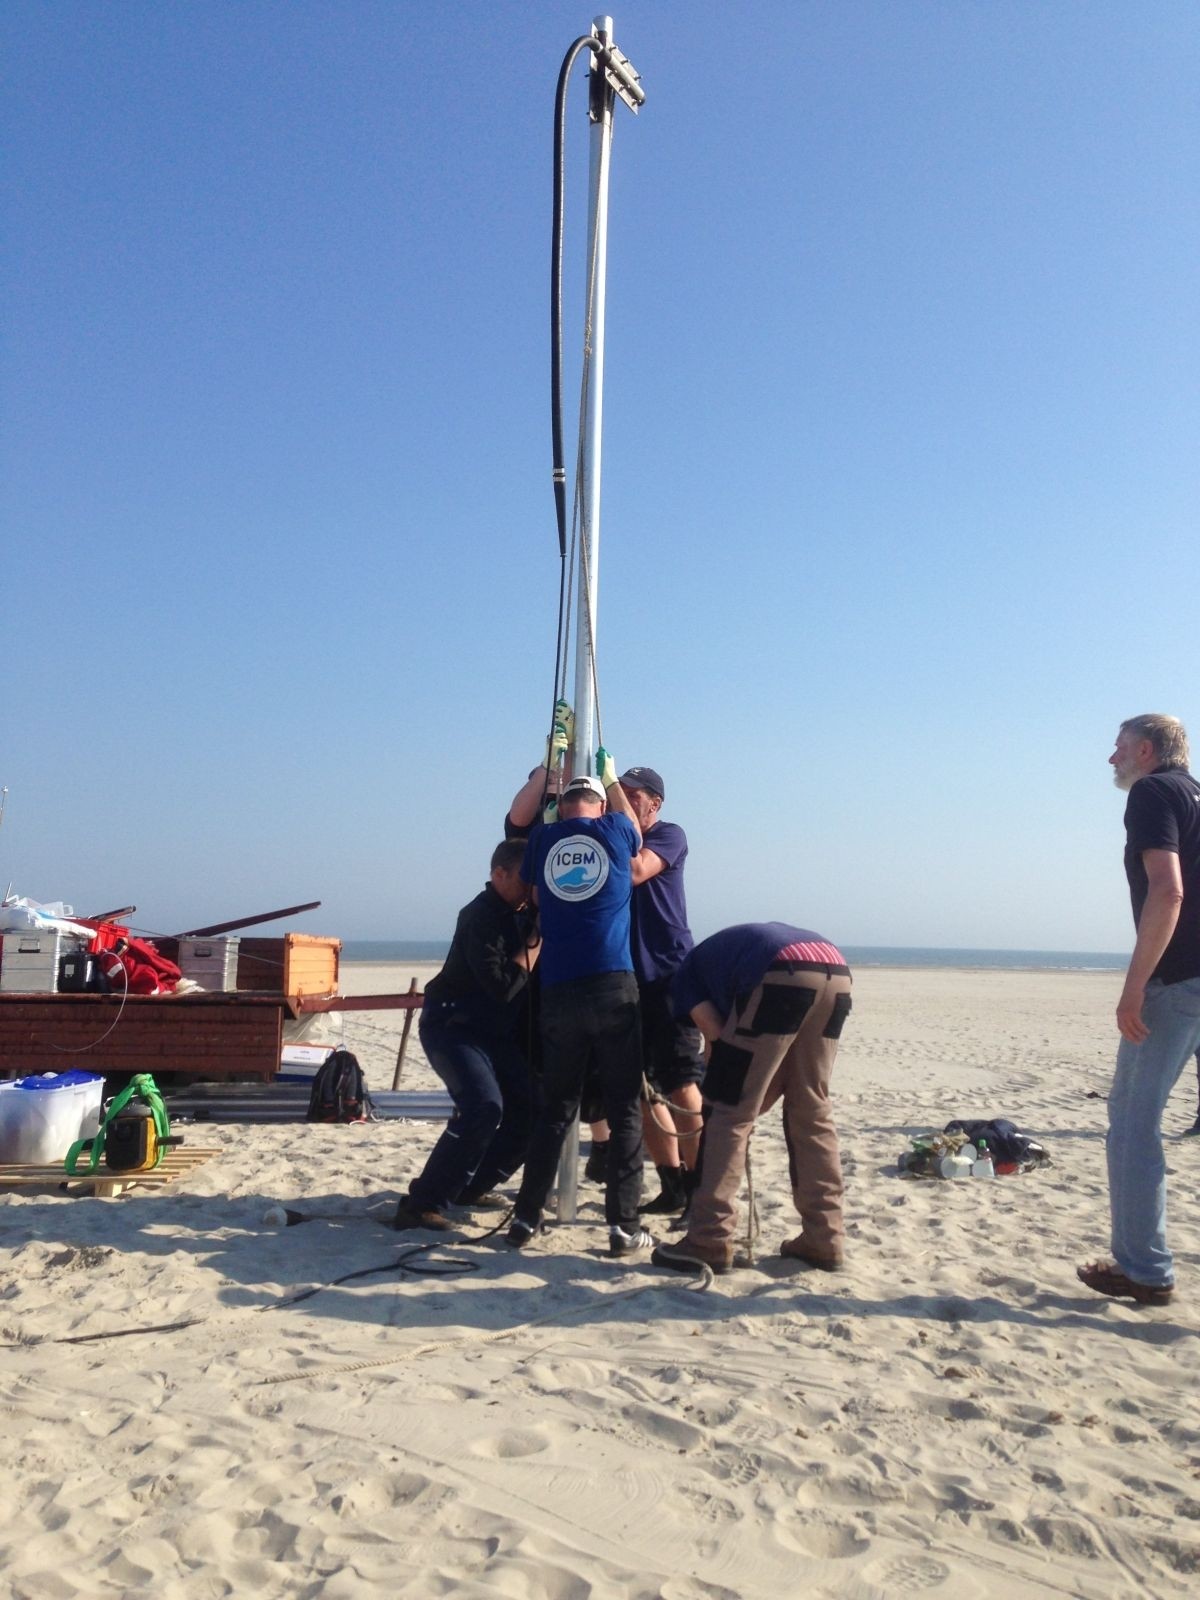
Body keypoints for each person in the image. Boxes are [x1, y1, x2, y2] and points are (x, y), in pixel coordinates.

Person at [506, 752, 654, 1256]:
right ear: (597, 803)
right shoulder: (614, 829)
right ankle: (623, 1226)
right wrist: (611, 779)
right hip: (612, 986)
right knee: (624, 1110)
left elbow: (535, 885)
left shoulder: (546, 839)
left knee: (556, 1110)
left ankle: (526, 1218)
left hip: (560, 992)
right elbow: (634, 826)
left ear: (565, 805)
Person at [1077, 714, 1200, 1307]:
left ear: (1146, 750)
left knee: (1131, 1126)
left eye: (1119, 748)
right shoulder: (1197, 793)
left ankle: (1145, 1272)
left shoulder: (1154, 791)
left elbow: (1168, 889)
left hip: (1177, 983)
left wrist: (1135, 986)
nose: (1112, 759)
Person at [650, 922, 853, 1277]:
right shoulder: (718, 961)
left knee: (727, 1111)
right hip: (834, 968)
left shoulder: (684, 980)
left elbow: (717, 1041)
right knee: (812, 1108)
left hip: (780, 970)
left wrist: (733, 1100)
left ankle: (708, 1238)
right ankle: (825, 1238)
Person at [392, 840, 541, 1231]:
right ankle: (421, 1203)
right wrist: (536, 942)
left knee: (532, 1110)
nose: (530, 887)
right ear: (499, 874)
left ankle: (469, 1187)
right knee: (482, 1107)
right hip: (452, 1026)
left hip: (493, 1033)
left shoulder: (522, 912)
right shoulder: (480, 916)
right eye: (526, 878)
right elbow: (502, 986)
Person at [615, 765, 706, 1216]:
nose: (624, 801)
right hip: (625, 977)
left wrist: (612, 796)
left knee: (682, 1081)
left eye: (633, 795)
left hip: (669, 974)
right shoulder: (613, 837)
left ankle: (701, 1184)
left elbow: (636, 870)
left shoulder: (669, 834)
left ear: (655, 802)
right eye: (620, 794)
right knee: (638, 1088)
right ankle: (672, 1185)